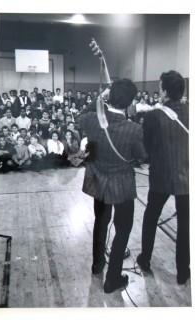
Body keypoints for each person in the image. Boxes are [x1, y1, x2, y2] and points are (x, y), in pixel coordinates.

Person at [78, 79, 146, 293]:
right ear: (130, 102)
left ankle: (97, 265)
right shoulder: (134, 129)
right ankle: (113, 278)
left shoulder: (91, 120)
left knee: (100, 222)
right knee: (123, 229)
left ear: (109, 96)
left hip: (99, 181)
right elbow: (142, 156)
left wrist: (100, 97)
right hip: (122, 184)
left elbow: (82, 115)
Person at [136, 70, 189, 285]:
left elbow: (146, 148)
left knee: (150, 218)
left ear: (165, 91)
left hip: (161, 177)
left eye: (160, 87)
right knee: (186, 225)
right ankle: (183, 271)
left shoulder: (152, 116)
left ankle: (145, 259)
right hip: (187, 177)